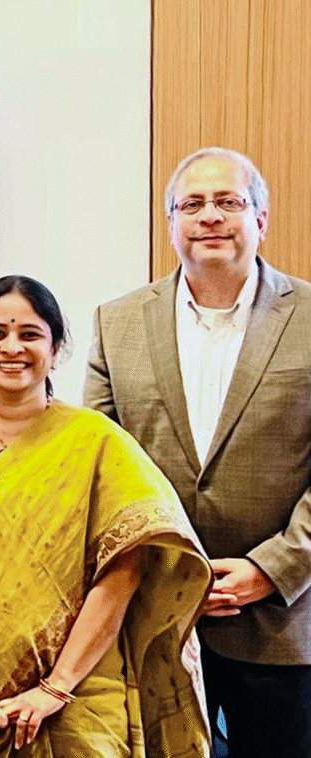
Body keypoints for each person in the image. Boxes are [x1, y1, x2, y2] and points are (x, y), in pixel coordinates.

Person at [0, 274, 212, 757]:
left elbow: (123, 570)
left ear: (56, 348)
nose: (12, 348)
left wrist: (56, 687)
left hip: (79, 695)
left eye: (30, 334)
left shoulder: (95, 441)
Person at [86, 147, 311, 756]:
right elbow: (100, 467)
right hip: (155, 614)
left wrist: (271, 569)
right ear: (171, 225)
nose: (209, 216)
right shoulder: (119, 321)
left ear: (261, 219)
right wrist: (160, 566)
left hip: (283, 627)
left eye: (228, 202)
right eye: (192, 204)